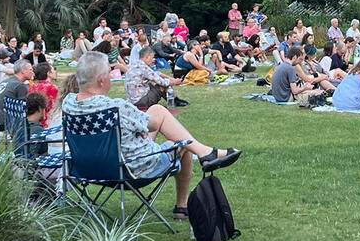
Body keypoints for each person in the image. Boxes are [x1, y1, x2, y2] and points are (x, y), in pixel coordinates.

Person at [62, 53, 240, 220]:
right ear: (101, 80)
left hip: (88, 169)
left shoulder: (69, 104)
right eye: (109, 73)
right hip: (132, 170)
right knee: (178, 139)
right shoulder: (115, 107)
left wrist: (139, 130)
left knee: (155, 110)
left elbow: (141, 125)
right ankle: (184, 199)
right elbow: (153, 124)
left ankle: (205, 153)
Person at [126, 44, 187, 109]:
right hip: (141, 102)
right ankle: (174, 101)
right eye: (152, 57)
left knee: (155, 82)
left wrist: (171, 78)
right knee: (162, 85)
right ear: (147, 57)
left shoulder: (136, 64)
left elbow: (156, 74)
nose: (154, 60)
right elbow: (162, 82)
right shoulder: (144, 68)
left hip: (133, 100)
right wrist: (175, 82)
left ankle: (175, 100)